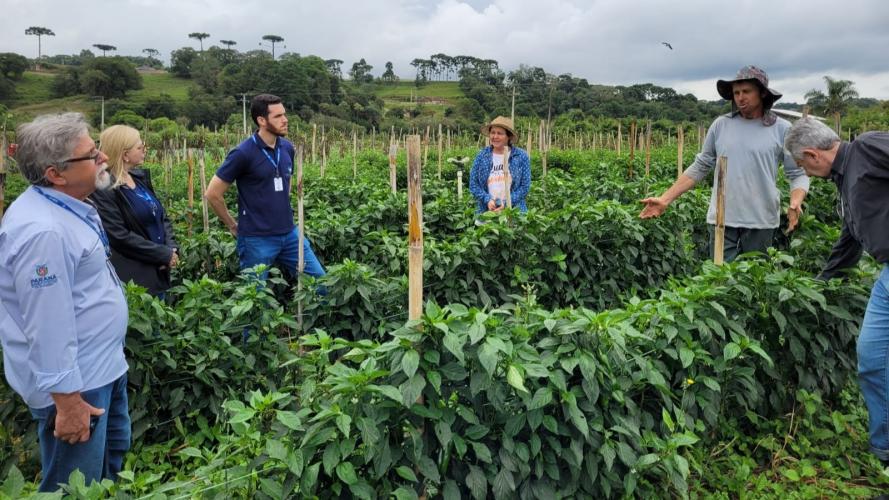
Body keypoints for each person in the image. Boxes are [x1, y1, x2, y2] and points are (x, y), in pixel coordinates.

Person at [0, 113, 130, 491]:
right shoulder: (43, 232)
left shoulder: (65, 206)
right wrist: (68, 403)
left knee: (106, 478)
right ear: (56, 173)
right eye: (91, 154)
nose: (103, 157)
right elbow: (48, 324)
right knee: (74, 487)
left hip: (100, 369)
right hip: (78, 387)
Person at [784, 117, 889, 471]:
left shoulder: (867, 147)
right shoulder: (844, 179)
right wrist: (821, 283)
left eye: (802, 164)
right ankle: (886, 454)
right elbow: (849, 240)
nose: (805, 172)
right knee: (872, 359)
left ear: (813, 155)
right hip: (887, 273)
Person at [639, 65, 809, 261]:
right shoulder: (721, 125)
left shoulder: (782, 128)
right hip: (721, 218)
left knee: (756, 276)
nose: (740, 97)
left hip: (761, 220)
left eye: (746, 91)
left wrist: (795, 201)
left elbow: (798, 172)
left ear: (762, 93)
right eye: (736, 93)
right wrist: (665, 200)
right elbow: (701, 165)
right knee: (719, 277)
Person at [205, 94, 325, 280]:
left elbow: (286, 183)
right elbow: (213, 193)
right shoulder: (242, 153)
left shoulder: (287, 148)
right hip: (256, 239)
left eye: (284, 114)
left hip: (289, 234)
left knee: (320, 282)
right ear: (261, 120)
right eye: (278, 116)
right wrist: (232, 225)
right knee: (255, 293)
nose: (285, 120)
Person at [90, 125, 178, 297]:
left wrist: (171, 249)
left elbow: (161, 216)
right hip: (136, 279)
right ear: (125, 155)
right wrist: (162, 255)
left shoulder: (138, 178)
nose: (144, 149)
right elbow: (119, 236)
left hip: (159, 271)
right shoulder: (104, 188)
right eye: (139, 147)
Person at [469, 116, 531, 219]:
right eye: (492, 132)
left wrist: (506, 203)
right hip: (487, 211)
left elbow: (525, 187)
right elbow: (473, 184)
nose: (495, 136)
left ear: (508, 136)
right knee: (487, 229)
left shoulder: (521, 156)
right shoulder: (482, 155)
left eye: (500, 133)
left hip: (515, 211)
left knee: (513, 228)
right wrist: (487, 199)